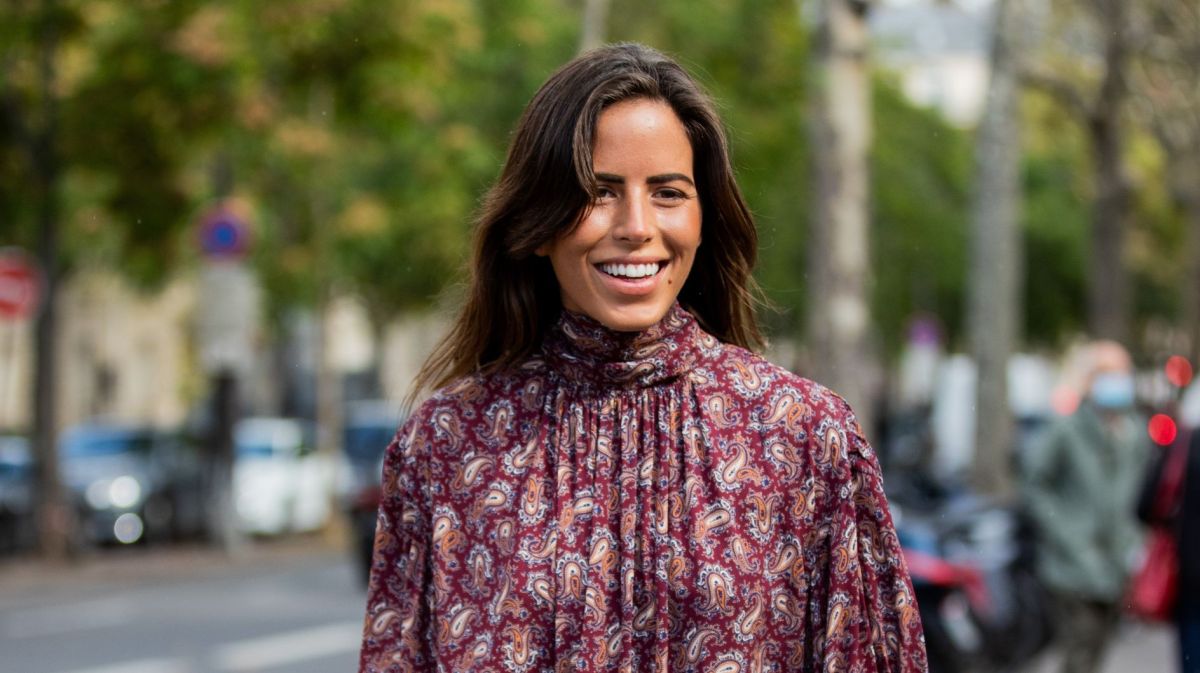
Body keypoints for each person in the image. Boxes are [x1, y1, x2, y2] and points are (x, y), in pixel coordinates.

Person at [359, 43, 927, 673]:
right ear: (540, 224)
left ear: (704, 216)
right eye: (599, 191)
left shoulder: (804, 440)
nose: (636, 225)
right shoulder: (444, 450)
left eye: (668, 192)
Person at [1023, 340, 1149, 673]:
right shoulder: (1066, 430)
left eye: (1122, 372)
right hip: (1071, 567)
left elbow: (1137, 497)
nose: (1117, 380)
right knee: (1078, 654)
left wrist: (1135, 543)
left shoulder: (1134, 433)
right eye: (1107, 373)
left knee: (1098, 652)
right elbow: (1035, 486)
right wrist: (1064, 532)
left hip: (1115, 565)